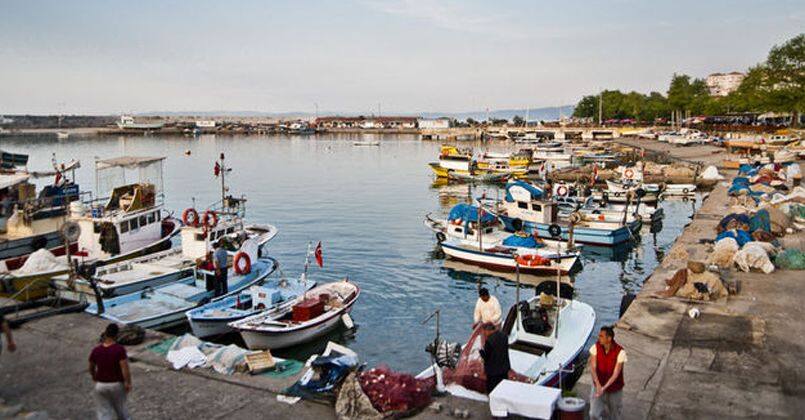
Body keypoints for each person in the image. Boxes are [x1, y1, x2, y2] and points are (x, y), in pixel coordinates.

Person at [89, 323, 132, 420]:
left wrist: (94, 376)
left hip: (100, 385)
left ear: (105, 334)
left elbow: (91, 367)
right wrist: (128, 382)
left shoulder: (96, 350)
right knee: (122, 410)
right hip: (116, 384)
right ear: (116, 335)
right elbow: (124, 368)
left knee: (104, 412)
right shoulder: (119, 350)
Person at [589, 326, 627, 420]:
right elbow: (593, 368)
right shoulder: (595, 347)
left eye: (601, 336)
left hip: (614, 389)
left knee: (614, 415)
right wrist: (598, 385)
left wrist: (604, 387)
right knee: (593, 414)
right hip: (598, 386)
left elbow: (616, 374)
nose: (599, 338)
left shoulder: (620, 352)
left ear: (609, 338)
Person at [478, 323, 510, 394]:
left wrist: (481, 352)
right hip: (504, 368)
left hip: (493, 371)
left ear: (488, 330)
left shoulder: (489, 341)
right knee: (503, 388)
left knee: (492, 390)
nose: (484, 334)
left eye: (485, 332)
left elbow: (486, 357)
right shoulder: (504, 336)